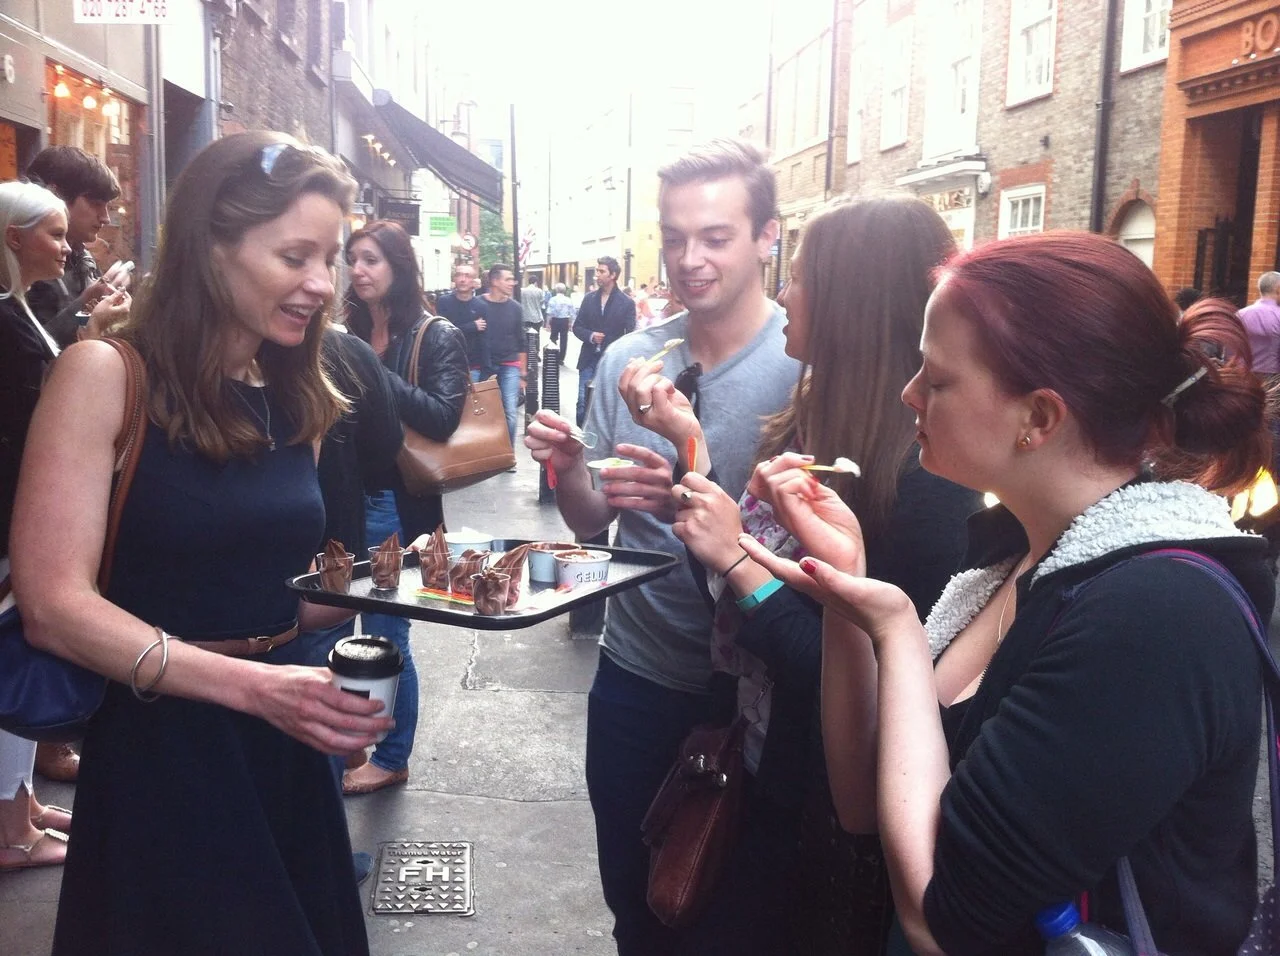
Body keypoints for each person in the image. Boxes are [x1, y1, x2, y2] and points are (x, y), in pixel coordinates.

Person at [740, 232, 1272, 955]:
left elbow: (941, 920)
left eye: (937, 378)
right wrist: (847, 588)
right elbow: (867, 803)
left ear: (1040, 418)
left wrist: (895, 626)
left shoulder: (1156, 613)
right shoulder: (1017, 555)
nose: (910, 395)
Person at [10, 131, 392, 955]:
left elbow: (270, 595)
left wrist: (397, 593)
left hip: (285, 748)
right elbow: (52, 606)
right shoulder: (104, 375)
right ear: (211, 246)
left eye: (329, 257)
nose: (322, 285)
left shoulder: (298, 394)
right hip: (162, 757)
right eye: (296, 255)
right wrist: (256, 688)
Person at [619, 196, 982, 953]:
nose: (787, 293)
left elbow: (884, 678)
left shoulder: (927, 478)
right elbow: (726, 574)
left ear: (854, 301)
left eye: (803, 276)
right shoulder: (811, 419)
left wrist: (737, 561)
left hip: (821, 812)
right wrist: (691, 450)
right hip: (752, 767)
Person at [525, 138, 801, 955]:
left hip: (754, 697)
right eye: (675, 237)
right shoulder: (630, 358)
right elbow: (590, 524)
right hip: (635, 678)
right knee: (636, 906)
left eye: (715, 237)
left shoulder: (800, 366)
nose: (690, 259)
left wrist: (687, 466)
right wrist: (571, 468)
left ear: (766, 236)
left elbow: (805, 547)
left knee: (730, 918)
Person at [342, 219, 468, 794]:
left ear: (397, 265)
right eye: (352, 259)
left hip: (399, 504)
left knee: (389, 634)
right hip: (342, 498)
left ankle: (393, 755)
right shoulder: (342, 326)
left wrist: (372, 371)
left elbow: (443, 417)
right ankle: (351, 740)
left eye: (370, 259)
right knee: (336, 628)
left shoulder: (434, 334)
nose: (358, 270)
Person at [0, 180, 80, 873]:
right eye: (53, 234)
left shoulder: (20, 312)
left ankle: (22, 808)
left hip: (20, 518)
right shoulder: (5, 321)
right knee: (11, 667)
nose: (66, 245)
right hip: (6, 524)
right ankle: (10, 831)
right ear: (13, 237)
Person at [24, 145, 132, 349]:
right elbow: (25, 354)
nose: (105, 218)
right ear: (56, 195)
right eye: (95, 203)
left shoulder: (83, 257)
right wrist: (85, 304)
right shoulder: (22, 262)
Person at [572, 256, 636, 426]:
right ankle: (580, 444)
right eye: (596, 271)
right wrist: (591, 336)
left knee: (606, 406)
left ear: (613, 275)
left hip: (612, 362)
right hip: (589, 360)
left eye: (601, 271)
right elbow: (577, 327)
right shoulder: (589, 299)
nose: (597, 275)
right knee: (582, 403)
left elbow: (630, 335)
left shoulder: (626, 303)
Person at [474, 263, 525, 450]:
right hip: (483, 364)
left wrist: (523, 373)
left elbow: (522, 341)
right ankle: (486, 452)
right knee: (482, 411)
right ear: (495, 281)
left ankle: (508, 453)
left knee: (510, 411)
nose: (513, 283)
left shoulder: (516, 308)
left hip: (510, 364)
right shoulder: (478, 304)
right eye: (508, 279)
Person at [437, 262, 489, 374]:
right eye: (459, 275)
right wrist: (472, 326)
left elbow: (484, 340)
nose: (462, 279)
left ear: (474, 282)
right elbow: (443, 334)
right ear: (454, 279)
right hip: (448, 364)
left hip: (474, 366)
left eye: (467, 276)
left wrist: (486, 369)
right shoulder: (444, 302)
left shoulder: (481, 306)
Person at [1237, 271, 1280, 382]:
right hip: (1271, 378)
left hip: (1239, 375)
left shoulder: (1240, 314)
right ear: (1278, 289)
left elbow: (1228, 348)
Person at [546, 281, 575, 364]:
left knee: (553, 337)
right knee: (564, 339)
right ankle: (561, 358)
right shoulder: (568, 300)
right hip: (565, 320)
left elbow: (550, 312)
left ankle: (553, 354)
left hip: (555, 320)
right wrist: (571, 323)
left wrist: (548, 323)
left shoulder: (553, 299)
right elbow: (572, 313)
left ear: (556, 290)